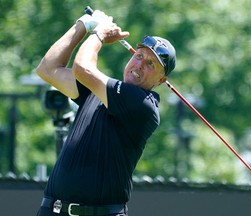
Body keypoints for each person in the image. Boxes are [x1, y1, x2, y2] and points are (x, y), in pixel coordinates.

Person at [35, 8, 176, 216]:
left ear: (161, 81)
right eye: (138, 56)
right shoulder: (99, 91)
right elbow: (47, 68)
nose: (139, 65)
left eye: (150, 64)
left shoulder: (144, 104)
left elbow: (82, 68)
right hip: (53, 211)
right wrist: (83, 24)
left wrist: (99, 34)